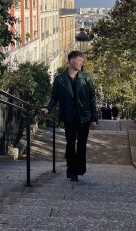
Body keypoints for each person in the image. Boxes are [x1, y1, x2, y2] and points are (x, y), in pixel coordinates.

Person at [41, 50, 97, 182]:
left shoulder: (86, 78)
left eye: (82, 61)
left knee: (82, 144)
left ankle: (79, 168)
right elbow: (54, 98)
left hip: (84, 116)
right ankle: (71, 168)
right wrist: (47, 108)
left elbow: (92, 99)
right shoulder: (60, 80)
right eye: (79, 61)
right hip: (68, 116)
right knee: (70, 144)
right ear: (71, 61)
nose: (81, 64)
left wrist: (94, 119)